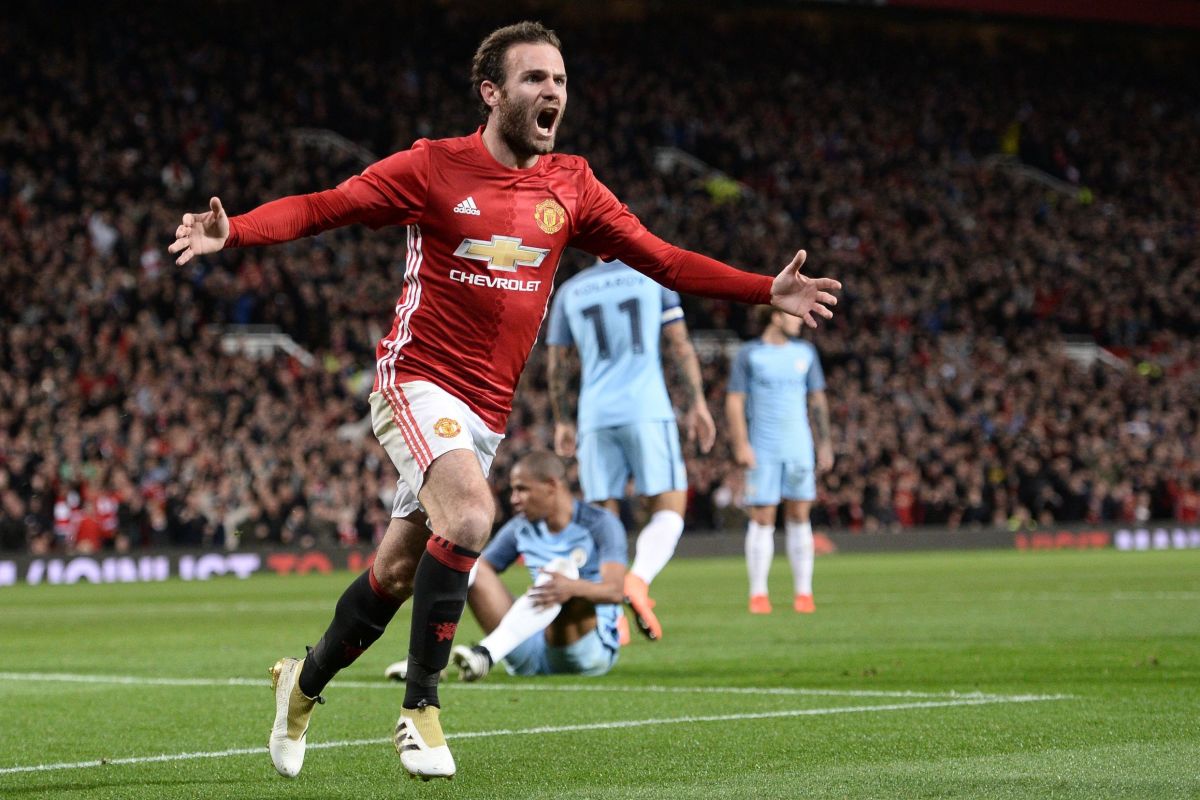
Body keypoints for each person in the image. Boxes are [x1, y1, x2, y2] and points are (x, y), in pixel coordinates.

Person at [169, 21, 840, 782]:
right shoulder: (432, 168)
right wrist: (239, 232)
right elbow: (328, 206)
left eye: (558, 80)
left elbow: (664, 259)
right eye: (534, 80)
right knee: (473, 517)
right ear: (492, 93)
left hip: (484, 411)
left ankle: (303, 683)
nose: (552, 91)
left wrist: (764, 288)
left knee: (394, 572)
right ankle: (421, 709)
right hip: (416, 378)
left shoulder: (573, 185)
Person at [545, 258, 715, 641]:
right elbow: (680, 345)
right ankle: (637, 581)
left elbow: (558, 365)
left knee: (603, 518)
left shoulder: (571, 291)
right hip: (647, 410)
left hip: (594, 415)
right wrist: (698, 403)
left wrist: (563, 419)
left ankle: (610, 618)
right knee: (670, 509)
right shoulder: (653, 278)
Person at [384, 450, 626, 683]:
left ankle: (486, 653)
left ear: (551, 486)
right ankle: (425, 660)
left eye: (522, 489)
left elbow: (615, 592)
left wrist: (571, 588)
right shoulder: (521, 527)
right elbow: (474, 572)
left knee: (562, 569)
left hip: (584, 650)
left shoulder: (601, 524)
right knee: (467, 562)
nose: (514, 499)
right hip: (529, 645)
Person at [725, 307, 833, 615]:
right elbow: (734, 401)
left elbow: (817, 399)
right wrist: (742, 443)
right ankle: (758, 594)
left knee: (800, 517)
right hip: (764, 449)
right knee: (762, 519)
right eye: (795, 315)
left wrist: (824, 443)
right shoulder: (750, 354)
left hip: (799, 448)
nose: (800, 321)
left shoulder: (806, 353)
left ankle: (804, 593)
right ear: (776, 316)